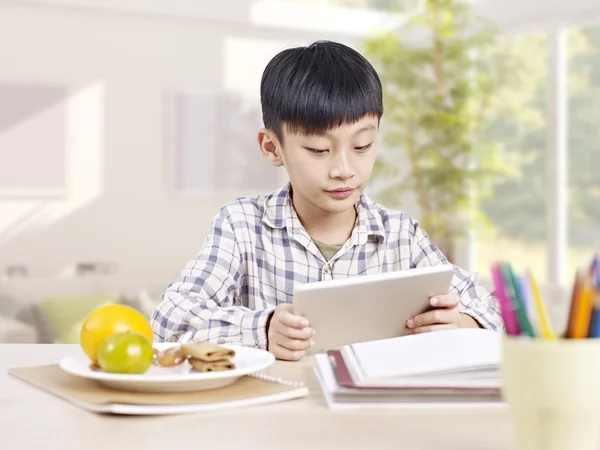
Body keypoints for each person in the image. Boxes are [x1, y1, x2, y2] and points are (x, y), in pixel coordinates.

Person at [151, 40, 503, 361]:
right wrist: (262, 329)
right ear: (273, 148)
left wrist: (462, 322)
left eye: (362, 146)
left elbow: (493, 309)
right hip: (272, 418)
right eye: (319, 150)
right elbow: (170, 317)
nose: (344, 169)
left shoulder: (401, 236)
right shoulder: (241, 225)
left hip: (374, 418)